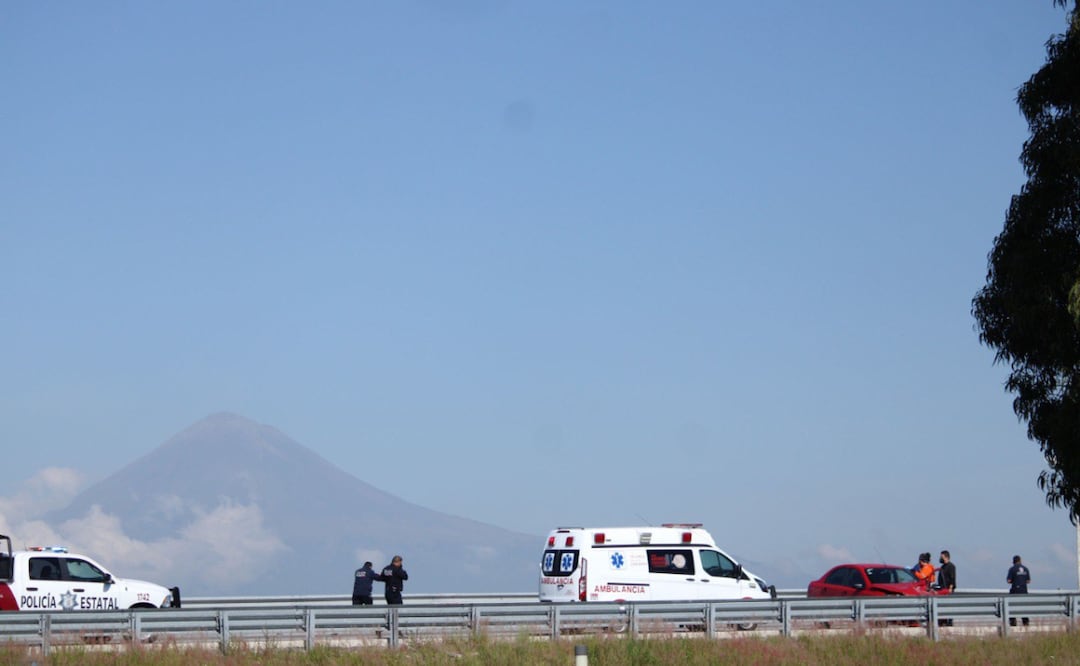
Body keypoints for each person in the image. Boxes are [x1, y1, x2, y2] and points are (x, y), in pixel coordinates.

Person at [1007, 554, 1031, 627]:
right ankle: (1025, 623)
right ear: (1020, 561)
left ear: (1013, 562)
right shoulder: (1026, 569)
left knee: (1011, 607)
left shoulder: (1012, 569)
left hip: (1015, 591)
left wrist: (1015, 581)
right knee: (1024, 607)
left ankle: (1013, 623)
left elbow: (1008, 580)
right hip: (1024, 591)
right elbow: (1028, 581)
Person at [937, 550, 956, 626]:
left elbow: (952, 578)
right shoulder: (942, 567)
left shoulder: (951, 566)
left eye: (942, 557)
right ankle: (942, 621)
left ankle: (949, 621)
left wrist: (950, 588)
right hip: (942, 589)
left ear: (946, 557)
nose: (940, 558)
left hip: (948, 589)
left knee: (949, 606)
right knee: (942, 606)